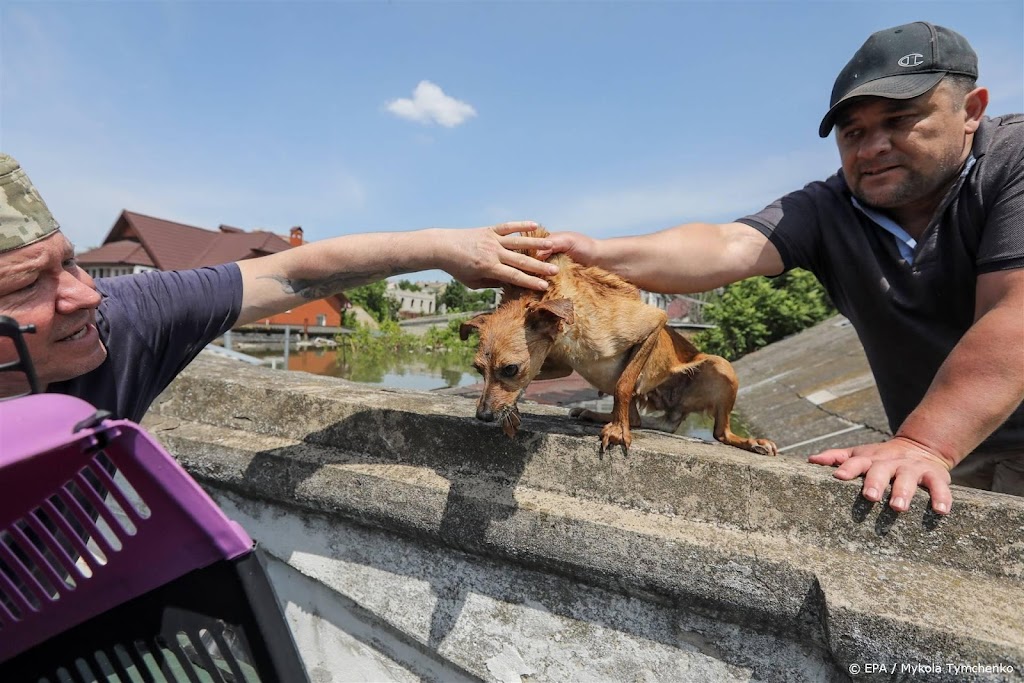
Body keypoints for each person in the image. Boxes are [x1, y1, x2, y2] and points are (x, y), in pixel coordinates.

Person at [541, 21, 1024, 515]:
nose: (872, 147)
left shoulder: (1014, 160)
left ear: (971, 110)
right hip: (943, 456)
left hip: (944, 441)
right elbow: (728, 244)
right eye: (853, 132)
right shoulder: (830, 206)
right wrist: (593, 252)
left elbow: (1013, 316)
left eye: (900, 120)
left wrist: (924, 444)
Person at [0, 152, 557, 423]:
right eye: (27, 283)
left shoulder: (120, 324)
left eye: (70, 263)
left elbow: (289, 273)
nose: (86, 294)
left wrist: (442, 248)